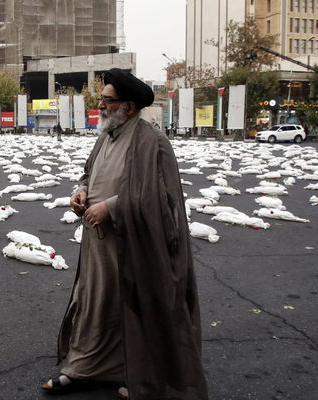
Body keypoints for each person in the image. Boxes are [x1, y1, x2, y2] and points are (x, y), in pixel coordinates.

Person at [42, 68, 207, 400]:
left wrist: (112, 208)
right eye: (101, 99)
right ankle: (81, 368)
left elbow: (161, 196)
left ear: (128, 107)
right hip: (98, 243)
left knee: (134, 306)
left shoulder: (152, 141)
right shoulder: (105, 136)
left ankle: (138, 376)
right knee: (94, 302)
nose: (101, 105)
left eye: (107, 100)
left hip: (136, 244)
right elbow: (89, 173)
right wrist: (81, 192)